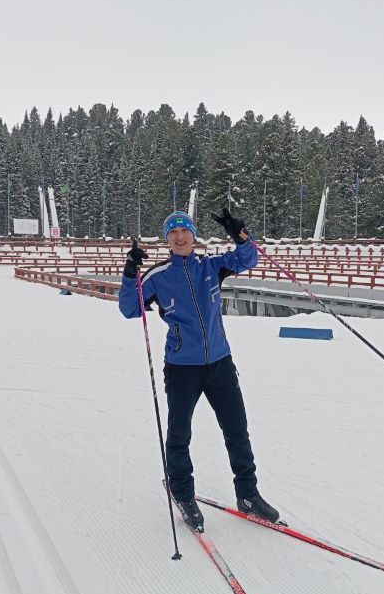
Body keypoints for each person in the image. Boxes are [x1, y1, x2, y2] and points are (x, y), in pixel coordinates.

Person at [118, 208, 284, 532]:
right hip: (182, 368)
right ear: (167, 239)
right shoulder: (158, 275)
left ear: (193, 236)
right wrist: (129, 272)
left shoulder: (211, 266)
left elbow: (248, 260)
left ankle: (248, 494)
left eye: (185, 231)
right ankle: (182, 492)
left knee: (237, 431)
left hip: (220, 362)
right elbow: (129, 308)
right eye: (173, 232)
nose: (179, 237)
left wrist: (241, 235)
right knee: (179, 435)